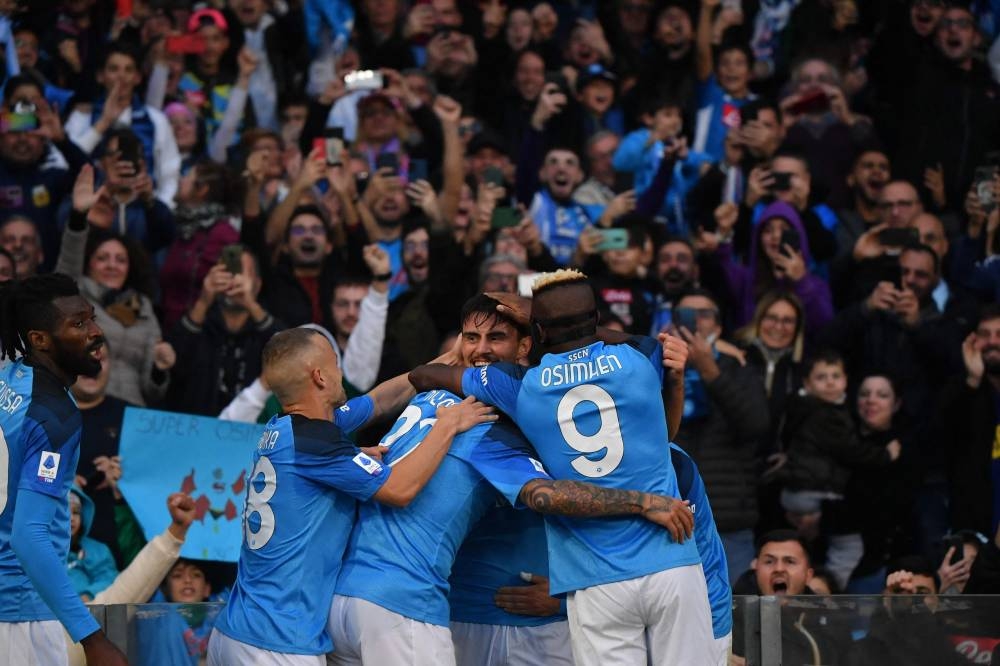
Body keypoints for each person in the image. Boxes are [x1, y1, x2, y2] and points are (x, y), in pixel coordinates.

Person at [330, 293, 697, 666]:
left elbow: (396, 388)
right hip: (429, 607)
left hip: (353, 599)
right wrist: (643, 502)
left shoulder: (426, 395)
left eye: (495, 338)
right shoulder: (493, 419)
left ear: (526, 344)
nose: (482, 349)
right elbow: (546, 495)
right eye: (471, 338)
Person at [207, 327, 497, 663]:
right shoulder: (319, 445)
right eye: (335, 364)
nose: (341, 371)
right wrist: (447, 425)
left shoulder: (286, 429)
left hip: (235, 629)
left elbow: (379, 401)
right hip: (276, 642)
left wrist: (447, 364)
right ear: (319, 377)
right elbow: (400, 489)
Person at [0, 272, 126, 665]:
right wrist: (92, 638)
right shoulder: (55, 417)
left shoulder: (8, 379)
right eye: (78, 324)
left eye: (91, 318)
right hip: (20, 615)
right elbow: (30, 535)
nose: (95, 332)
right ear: (40, 340)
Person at [778, 350, 902, 589]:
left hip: (808, 494)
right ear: (807, 383)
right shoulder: (825, 415)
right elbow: (852, 451)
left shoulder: (814, 411)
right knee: (848, 548)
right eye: (821, 377)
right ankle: (827, 590)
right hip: (810, 493)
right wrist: (886, 454)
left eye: (835, 375)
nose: (830, 382)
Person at [670, 288, 770, 582]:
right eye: (687, 315)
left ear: (719, 326)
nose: (697, 322)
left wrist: (710, 370)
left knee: (732, 614)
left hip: (728, 519)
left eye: (705, 314)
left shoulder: (738, 367)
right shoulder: (654, 366)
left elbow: (756, 425)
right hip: (670, 517)